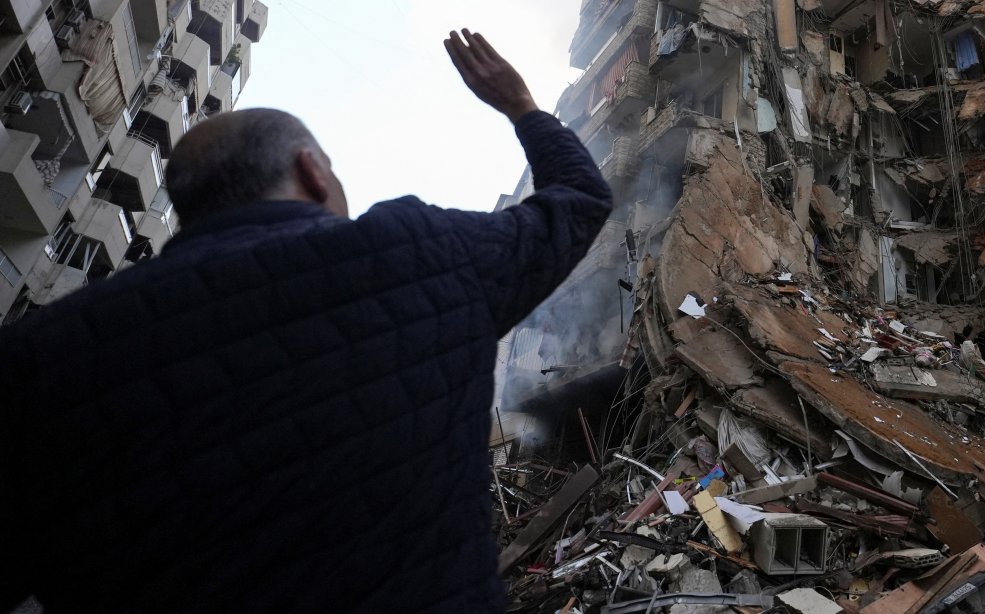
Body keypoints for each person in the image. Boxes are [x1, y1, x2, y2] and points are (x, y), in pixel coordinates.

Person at [0, 30, 612, 614]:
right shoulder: (421, 255)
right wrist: (521, 106)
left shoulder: (43, 356)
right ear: (314, 173)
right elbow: (580, 200)